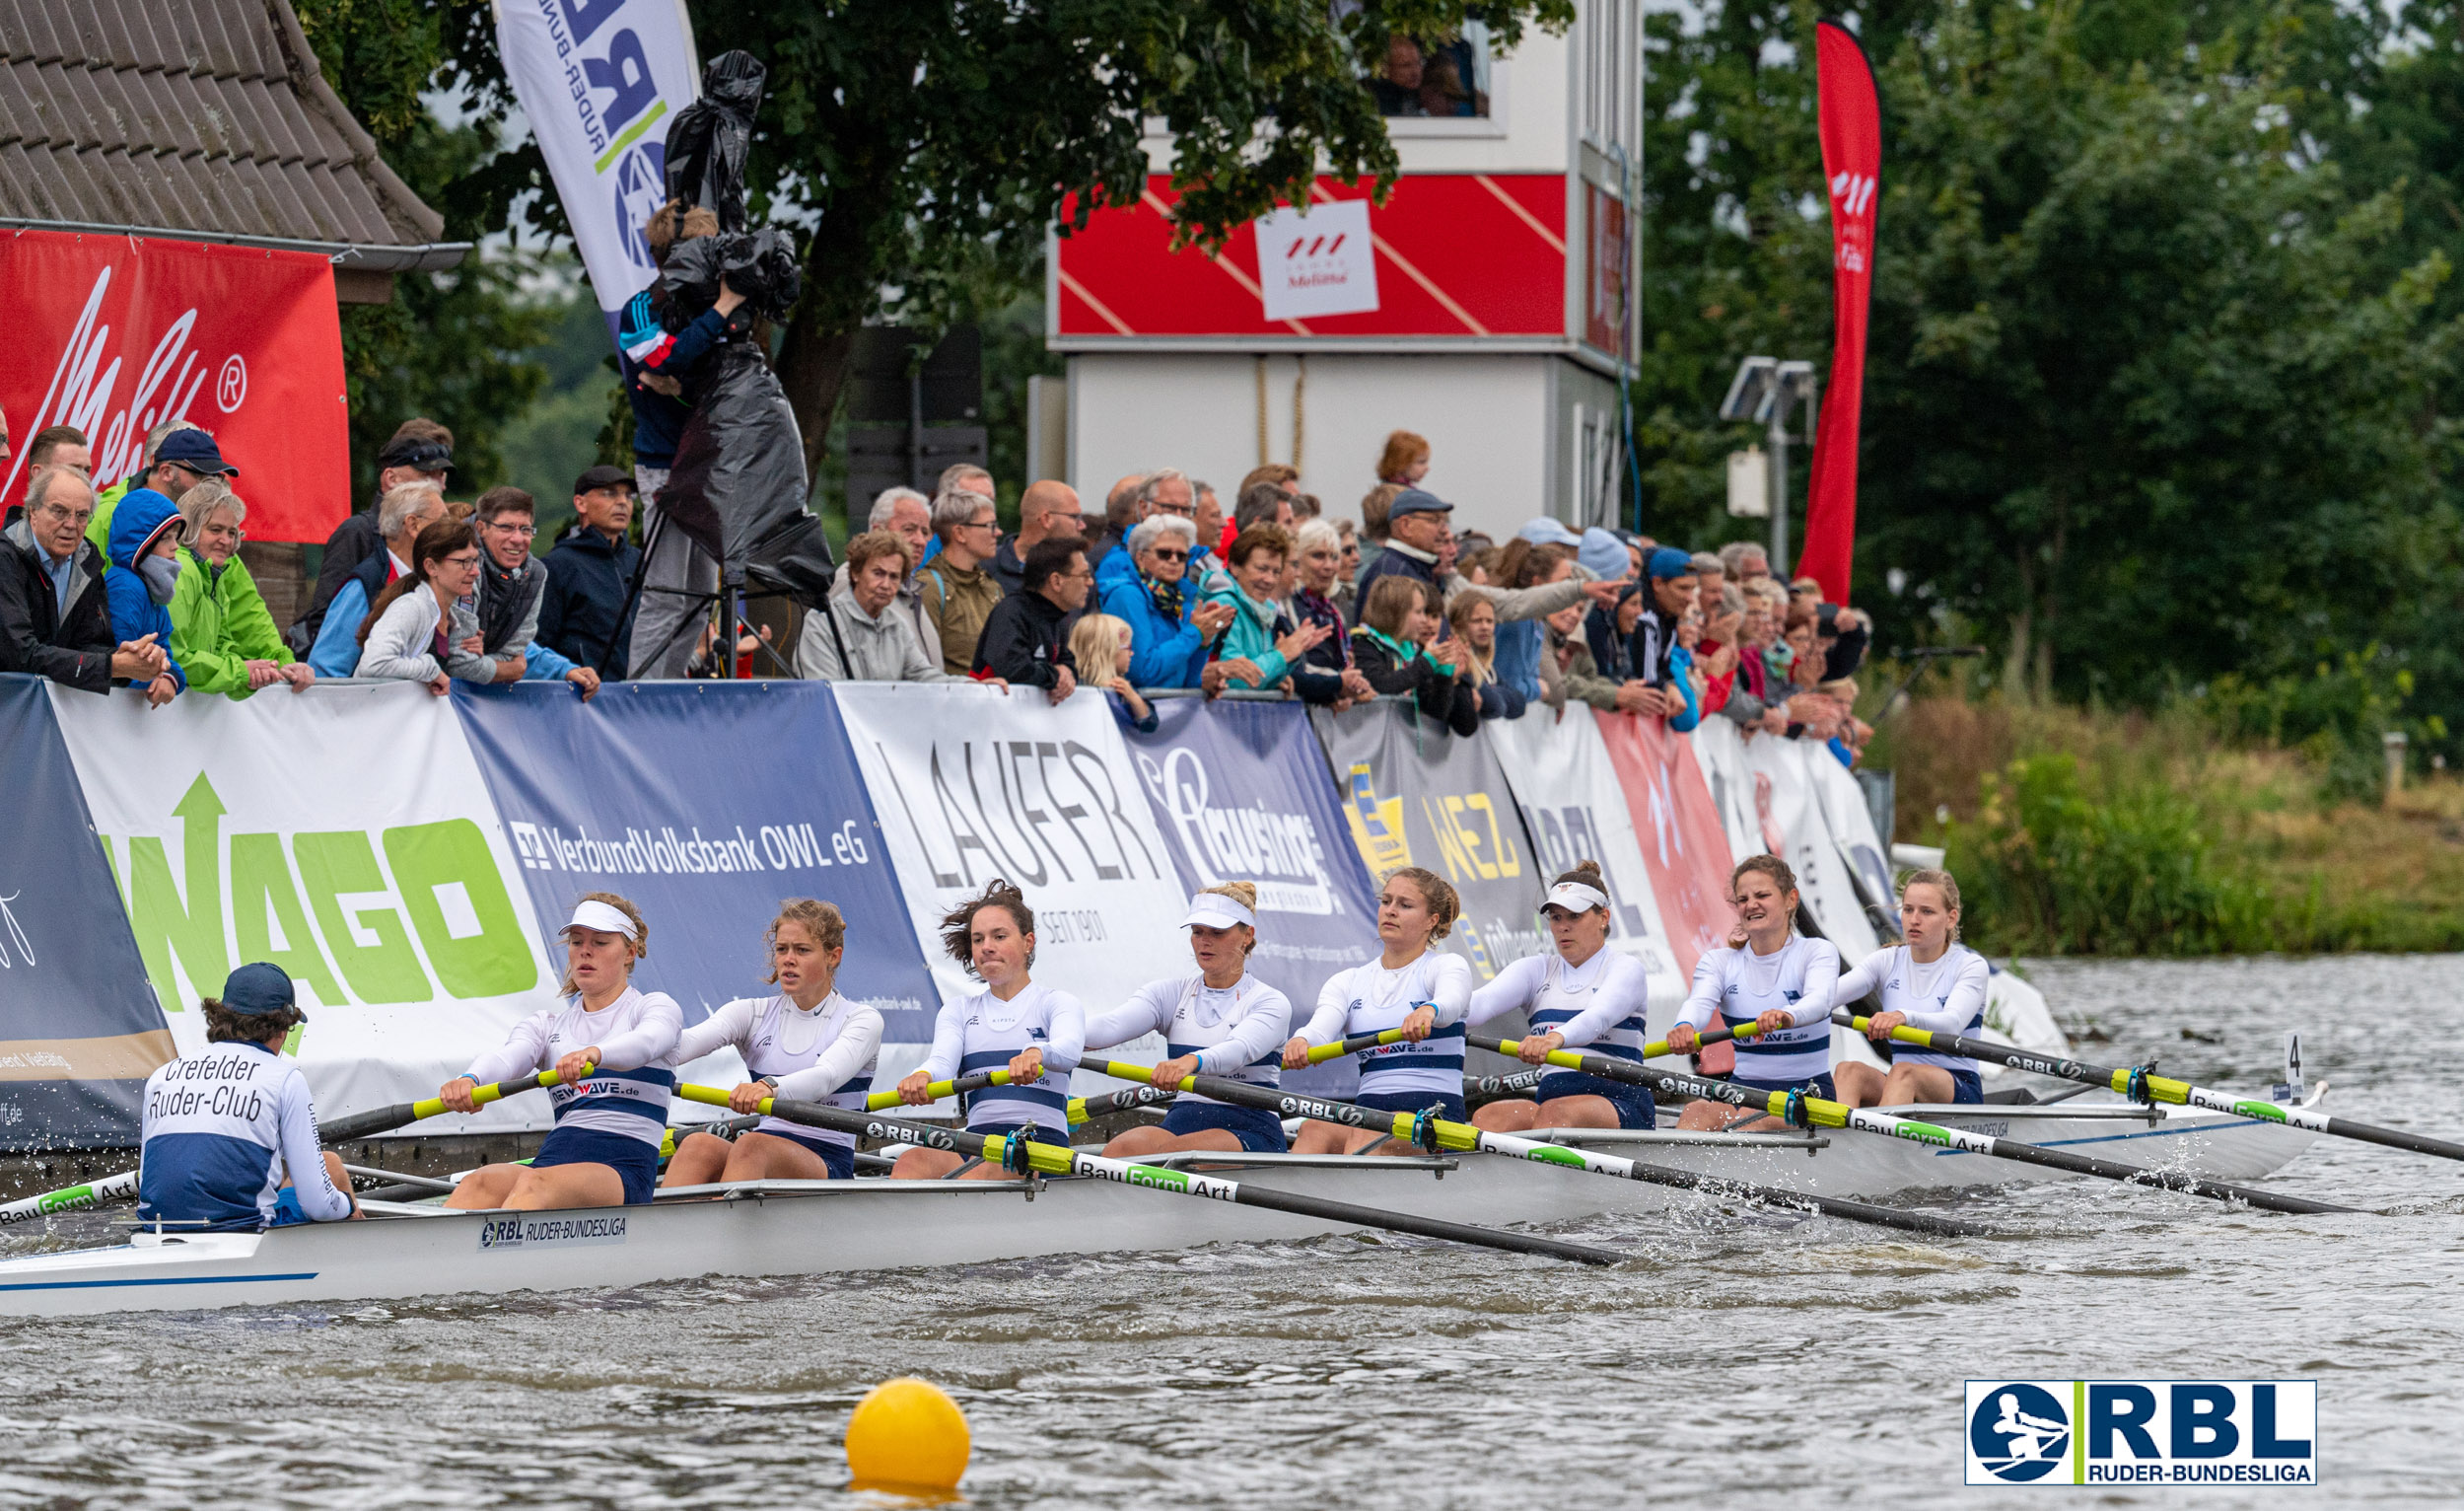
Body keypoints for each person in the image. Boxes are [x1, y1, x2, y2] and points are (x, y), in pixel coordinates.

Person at [444, 895, 682, 1209]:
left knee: (533, 1184)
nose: (584, 950)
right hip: (550, 1167)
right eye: (576, 941)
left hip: (622, 1173)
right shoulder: (548, 1026)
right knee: (479, 1181)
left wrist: (595, 1055)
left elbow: (648, 1042)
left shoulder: (653, 1008)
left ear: (630, 952)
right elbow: (507, 1058)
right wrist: (471, 1079)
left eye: (599, 942)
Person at [663, 900, 885, 1187]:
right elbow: (684, 1044)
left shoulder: (861, 1020)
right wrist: (608, 1054)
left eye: (802, 950)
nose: (788, 959)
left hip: (827, 1162)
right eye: (782, 949)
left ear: (833, 956)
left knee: (752, 1146)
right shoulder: (752, 1013)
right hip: (761, 1151)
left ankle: (718, 1227)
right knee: (697, 1146)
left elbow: (825, 1077)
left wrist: (767, 1087)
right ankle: (668, 1232)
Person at [135, 964, 358, 1233]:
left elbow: (151, 1181)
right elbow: (318, 1205)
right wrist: (347, 1205)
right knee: (331, 1164)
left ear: (221, 1017)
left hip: (157, 1231)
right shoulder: (285, 1080)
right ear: (281, 1028)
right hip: (242, 1235)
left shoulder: (163, 1076)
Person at [892, 881, 1087, 1180]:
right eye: (978, 939)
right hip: (977, 1146)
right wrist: (924, 1076)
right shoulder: (959, 1011)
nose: (987, 947)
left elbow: (1069, 1049)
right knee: (912, 1161)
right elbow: (942, 1063)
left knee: (997, 1167)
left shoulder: (1056, 1002)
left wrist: (1037, 1052)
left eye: (999, 936)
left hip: (1040, 1149)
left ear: (1028, 942)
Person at [1084, 885, 1295, 1156]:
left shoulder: (1270, 1001)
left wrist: (1190, 1062)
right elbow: (1109, 1027)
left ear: (1247, 936)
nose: (1205, 941)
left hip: (1251, 1125)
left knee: (1177, 1154)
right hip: (1183, 1120)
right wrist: (1047, 1041)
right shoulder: (1169, 994)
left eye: (1217, 933)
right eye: (1197, 932)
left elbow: (1238, 1049)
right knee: (1120, 1150)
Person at [1283, 868, 1473, 1154]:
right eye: (1386, 902)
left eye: (1405, 905)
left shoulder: (1445, 967)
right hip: (1371, 1119)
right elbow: (1320, 1030)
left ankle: (1347, 1195)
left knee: (1366, 1135)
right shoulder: (1348, 981)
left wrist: (1429, 1011)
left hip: (1436, 1121)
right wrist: (1302, 1041)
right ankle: (1290, 1199)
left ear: (1430, 921)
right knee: (1313, 1128)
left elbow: (1452, 1000)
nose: (1391, 911)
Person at [1467, 862, 1658, 1131]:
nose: (1563, 927)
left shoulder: (1625, 968)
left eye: (1574, 916)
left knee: (1555, 1113)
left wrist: (1554, 1039)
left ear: (1603, 917)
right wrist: (1432, 1013)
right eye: (1556, 918)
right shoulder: (1537, 969)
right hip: (1554, 1104)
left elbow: (1598, 1017)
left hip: (1621, 1101)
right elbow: (1479, 1005)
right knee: (1490, 1117)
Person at [1665, 856, 1843, 1131]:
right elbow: (1699, 1002)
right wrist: (1684, 1026)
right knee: (1695, 1111)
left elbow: (1819, 1002)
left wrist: (1786, 1015)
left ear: (1790, 899)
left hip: (1807, 1096)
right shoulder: (1719, 962)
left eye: (1762, 895)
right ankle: (1678, 1174)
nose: (1751, 905)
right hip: (1743, 1093)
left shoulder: (1816, 952)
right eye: (1743, 899)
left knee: (1750, 1123)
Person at [1827, 870, 1990, 1108]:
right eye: (1908, 910)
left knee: (1904, 1073)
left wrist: (1903, 1017)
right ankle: (1837, 1144)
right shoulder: (1886, 960)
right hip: (1900, 1082)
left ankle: (1875, 1142)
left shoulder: (1970, 966)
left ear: (1951, 918)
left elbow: (1952, 1023)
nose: (1914, 919)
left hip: (1958, 1088)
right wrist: (1784, 1011)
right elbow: (1825, 997)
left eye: (1927, 911)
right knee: (1848, 1071)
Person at [0, 466, 164, 691]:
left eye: (81, 515)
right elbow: (21, 654)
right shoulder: (5, 559)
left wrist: (132, 660)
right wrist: (112, 665)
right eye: (59, 511)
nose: (71, 524)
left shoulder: (87, 562)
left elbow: (85, 645)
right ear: (33, 511)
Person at [294, 419, 453, 651]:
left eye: (441, 475)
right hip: (357, 675)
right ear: (391, 478)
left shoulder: (434, 537)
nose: (439, 485)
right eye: (427, 474)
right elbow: (325, 619)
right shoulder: (356, 532)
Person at [166, 480, 315, 698]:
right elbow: (174, 657)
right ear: (191, 528)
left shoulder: (212, 573)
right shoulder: (182, 570)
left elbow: (222, 649)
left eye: (232, 532)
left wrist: (257, 673)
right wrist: (242, 671)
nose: (225, 540)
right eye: (215, 530)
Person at [468, 486, 600, 698]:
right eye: (507, 528)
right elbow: (456, 658)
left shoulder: (534, 573)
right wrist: (509, 669)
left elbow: (517, 650)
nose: (518, 538)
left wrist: (565, 670)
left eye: (526, 529)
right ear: (481, 528)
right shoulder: (457, 565)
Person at [307, 480, 447, 677]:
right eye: (442, 522)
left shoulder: (429, 581)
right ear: (413, 525)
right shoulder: (365, 583)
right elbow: (327, 668)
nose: (450, 531)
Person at [797, 530, 973, 684]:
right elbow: (822, 691)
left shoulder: (897, 625)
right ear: (855, 573)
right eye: (878, 573)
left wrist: (972, 685)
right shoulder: (821, 622)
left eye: (894, 577)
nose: (886, 584)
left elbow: (925, 676)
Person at [357, 518, 487, 695]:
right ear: (431, 567)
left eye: (476, 561)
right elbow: (374, 664)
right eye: (464, 562)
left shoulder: (454, 621)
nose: (475, 571)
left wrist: (471, 657)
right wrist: (430, 670)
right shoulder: (410, 607)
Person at [1099, 514, 1230, 689]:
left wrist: (1204, 641)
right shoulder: (1127, 596)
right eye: (1164, 554)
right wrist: (1194, 632)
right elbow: (1143, 672)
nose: (1174, 560)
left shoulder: (1179, 600)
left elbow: (1189, 682)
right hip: (1130, 711)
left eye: (1182, 556)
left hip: (1168, 710)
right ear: (1141, 558)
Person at [537, 466, 643, 679]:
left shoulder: (642, 561)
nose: (623, 502)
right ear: (580, 503)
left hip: (641, 697)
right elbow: (539, 643)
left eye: (628, 496)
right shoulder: (557, 564)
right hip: (583, 697)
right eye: (610, 493)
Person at [1203, 524, 1332, 694]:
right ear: (1234, 567)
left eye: (1276, 572)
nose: (1269, 580)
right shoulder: (1224, 607)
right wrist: (1282, 656)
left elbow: (1256, 675)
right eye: (1262, 569)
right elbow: (1234, 682)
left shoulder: (1263, 609)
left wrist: (1279, 675)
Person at [1351, 576, 1480, 736]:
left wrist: (1446, 677)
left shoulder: (1413, 651)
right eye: (1419, 612)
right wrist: (1426, 664)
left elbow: (1438, 712)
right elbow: (1380, 686)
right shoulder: (1366, 645)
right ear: (1396, 612)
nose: (1424, 620)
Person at [85, 424, 235, 560]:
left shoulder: (202, 516)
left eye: (216, 476)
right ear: (166, 472)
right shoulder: (110, 512)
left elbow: (237, 585)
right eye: (201, 475)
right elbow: (87, 581)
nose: (211, 485)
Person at [833, 486, 945, 668]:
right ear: (878, 531)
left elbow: (922, 672)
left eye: (925, 532)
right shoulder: (853, 579)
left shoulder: (910, 585)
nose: (920, 541)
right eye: (909, 529)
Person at [102, 486, 188, 705]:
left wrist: (171, 678)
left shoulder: (151, 588)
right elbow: (125, 664)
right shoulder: (125, 585)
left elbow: (166, 654)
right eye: (165, 538)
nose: (175, 546)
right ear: (143, 543)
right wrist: (158, 676)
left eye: (175, 537)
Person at [972, 537, 1088, 701]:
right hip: (992, 716)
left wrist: (1068, 673)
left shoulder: (1058, 617)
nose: (1090, 582)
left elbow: (1067, 662)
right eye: (1084, 575)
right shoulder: (1011, 612)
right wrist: (1055, 675)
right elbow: (1013, 668)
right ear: (1056, 581)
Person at [917, 486, 1006, 675]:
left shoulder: (992, 588)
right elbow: (922, 666)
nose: (998, 532)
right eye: (990, 526)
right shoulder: (929, 587)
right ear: (960, 533)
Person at [1355, 487, 1451, 606]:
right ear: (1405, 525)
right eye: (1434, 520)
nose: (1445, 530)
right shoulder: (1392, 574)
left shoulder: (1416, 568)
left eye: (1444, 521)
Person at [989, 480, 1085, 596]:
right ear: (1046, 519)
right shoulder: (987, 570)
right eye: (1075, 517)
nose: (1082, 525)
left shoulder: (1081, 569)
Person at [1068, 611, 1158, 732]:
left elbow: (1149, 726)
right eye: (1128, 648)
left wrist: (1134, 699)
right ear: (1108, 650)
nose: (1132, 653)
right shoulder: (1070, 685)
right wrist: (1099, 693)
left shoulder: (1122, 688)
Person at [1444, 591, 1523, 719]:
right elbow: (1496, 706)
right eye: (1476, 621)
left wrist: (1491, 690)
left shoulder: (1485, 665)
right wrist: (1493, 691)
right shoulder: (1454, 659)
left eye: (1489, 621)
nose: (1485, 627)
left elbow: (1519, 703)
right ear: (1459, 624)